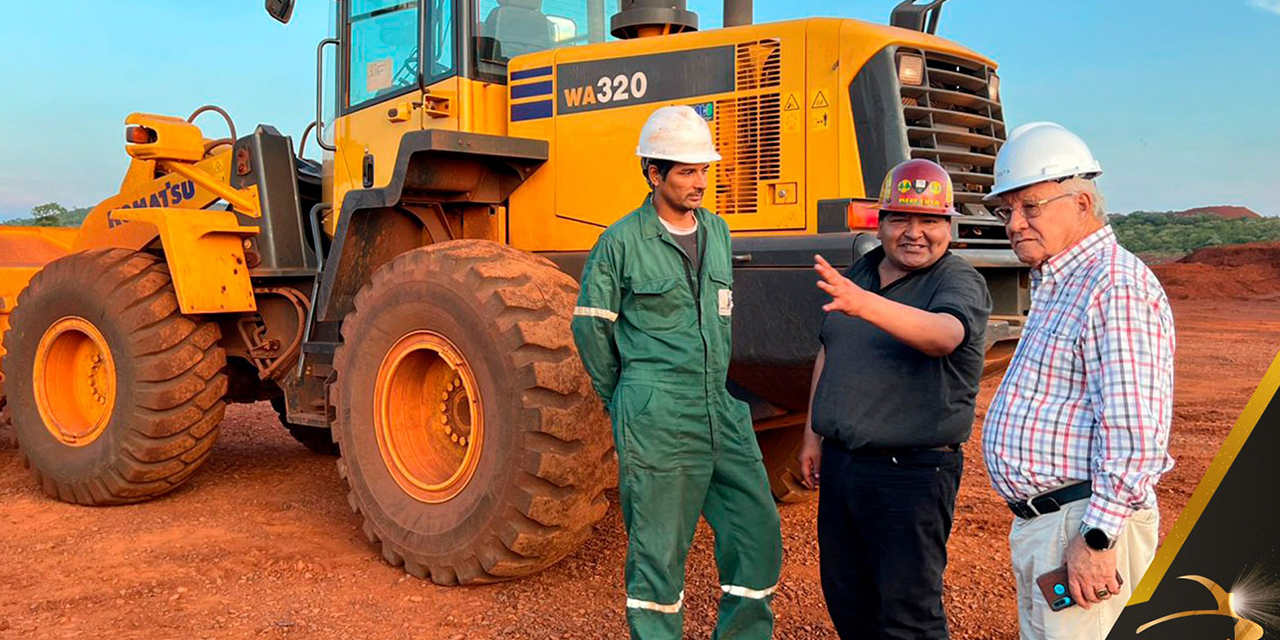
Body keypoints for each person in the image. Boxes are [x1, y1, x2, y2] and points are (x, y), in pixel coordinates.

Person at [571, 105, 783, 640]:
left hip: (720, 405)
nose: (699, 182)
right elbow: (590, 329)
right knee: (659, 550)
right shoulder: (621, 242)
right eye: (686, 171)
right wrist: (624, 398)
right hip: (657, 411)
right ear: (653, 174)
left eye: (704, 170)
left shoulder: (718, 231)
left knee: (757, 531)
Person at [981, 122, 1175, 640]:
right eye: (1007, 211)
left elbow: (1135, 434)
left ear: (1082, 203)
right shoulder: (1061, 281)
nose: (1015, 223)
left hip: (1083, 523)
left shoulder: (1114, 285)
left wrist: (1096, 539)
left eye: (1031, 207)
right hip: (1054, 523)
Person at [798, 158, 992, 640]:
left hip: (910, 474)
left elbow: (945, 335)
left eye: (929, 221)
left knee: (909, 615)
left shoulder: (956, 280)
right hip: (844, 466)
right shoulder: (863, 269)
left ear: (948, 226)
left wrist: (866, 305)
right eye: (901, 218)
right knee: (849, 600)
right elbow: (830, 350)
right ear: (880, 222)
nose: (914, 232)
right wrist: (812, 435)